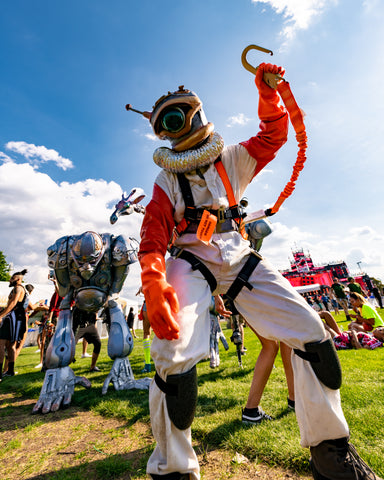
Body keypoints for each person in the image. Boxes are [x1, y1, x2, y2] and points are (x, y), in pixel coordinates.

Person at [136, 64, 379, 479]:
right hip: (191, 261)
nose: (172, 128)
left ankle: (331, 454)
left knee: (311, 335)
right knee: (172, 355)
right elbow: (153, 237)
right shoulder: (166, 180)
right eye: (164, 125)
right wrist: (155, 285)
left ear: (194, 113)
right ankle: (172, 469)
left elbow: (273, 136)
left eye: (176, 117)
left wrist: (267, 92)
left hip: (238, 254)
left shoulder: (231, 160)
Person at [0, 269, 28, 379]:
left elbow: (12, 304)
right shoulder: (20, 289)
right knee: (10, 345)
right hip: (15, 318)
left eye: (12, 278)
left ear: (18, 279)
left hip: (12, 319)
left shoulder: (18, 288)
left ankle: (2, 373)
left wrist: (1, 315)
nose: (9, 280)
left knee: (1, 344)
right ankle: (10, 371)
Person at [72, 307, 102, 372]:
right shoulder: (79, 298)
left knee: (98, 343)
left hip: (90, 324)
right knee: (70, 345)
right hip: (79, 325)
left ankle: (93, 367)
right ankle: (63, 368)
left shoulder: (93, 299)